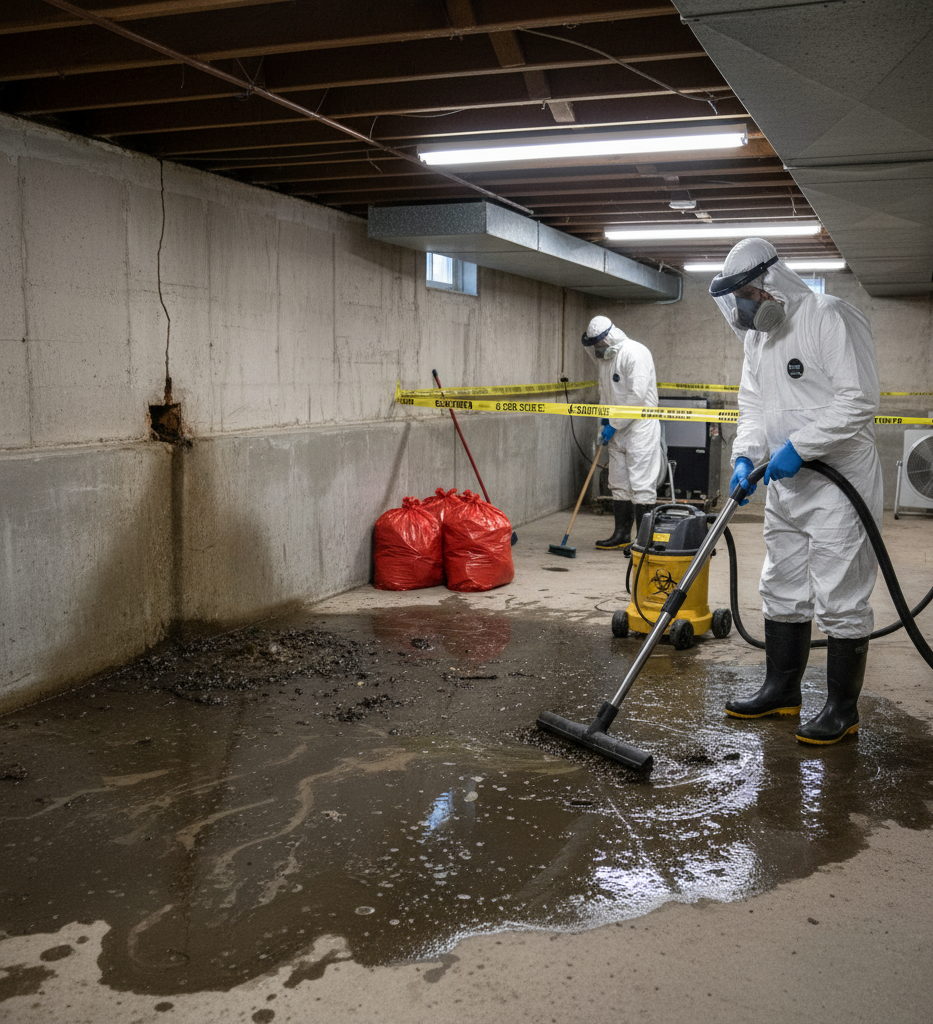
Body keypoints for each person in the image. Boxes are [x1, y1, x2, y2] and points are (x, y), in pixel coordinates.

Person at [710, 237, 882, 745]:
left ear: (772, 283)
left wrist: (800, 447)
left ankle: (842, 710)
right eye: (737, 299)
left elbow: (858, 401)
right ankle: (782, 690)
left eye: (747, 295)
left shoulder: (828, 317)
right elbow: (752, 405)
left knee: (840, 592)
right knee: (781, 583)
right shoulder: (757, 340)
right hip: (786, 483)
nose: (743, 308)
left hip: (839, 484)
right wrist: (746, 455)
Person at [582, 316, 663, 554]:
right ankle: (621, 535)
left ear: (608, 337)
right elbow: (605, 392)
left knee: (641, 484)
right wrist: (604, 421)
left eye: (599, 344)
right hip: (616, 427)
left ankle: (644, 541)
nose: (597, 349)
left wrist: (613, 424)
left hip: (640, 427)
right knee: (618, 482)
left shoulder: (635, 353)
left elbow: (637, 397)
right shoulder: (606, 359)